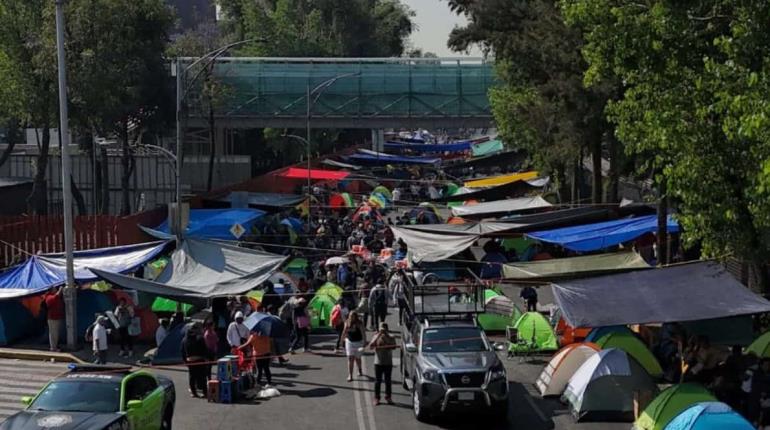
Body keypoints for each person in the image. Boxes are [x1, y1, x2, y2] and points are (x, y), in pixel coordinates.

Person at [369, 322, 397, 405]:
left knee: (388, 381)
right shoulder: (376, 336)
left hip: (388, 362)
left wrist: (386, 337)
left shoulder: (391, 337)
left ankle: (388, 397)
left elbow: (394, 346)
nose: (383, 331)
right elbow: (371, 346)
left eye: (384, 329)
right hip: (378, 362)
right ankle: (376, 397)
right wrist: (378, 336)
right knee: (378, 381)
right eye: (381, 329)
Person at [181, 323, 208, 398]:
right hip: (200, 360)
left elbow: (182, 352)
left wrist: (185, 361)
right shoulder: (200, 338)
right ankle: (205, 392)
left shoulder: (184, 340)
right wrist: (205, 358)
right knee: (202, 376)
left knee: (192, 377)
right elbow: (204, 349)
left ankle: (193, 392)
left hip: (190, 361)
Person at [342, 311, 366, 382]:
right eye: (350, 316)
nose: (351, 317)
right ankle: (350, 375)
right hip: (349, 342)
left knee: (357, 358)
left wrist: (364, 342)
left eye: (353, 316)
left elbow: (363, 333)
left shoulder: (359, 323)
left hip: (358, 342)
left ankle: (360, 369)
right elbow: (344, 331)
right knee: (350, 358)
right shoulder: (347, 322)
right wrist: (341, 340)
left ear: (356, 317)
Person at [44, 287, 65, 352]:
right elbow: (54, 298)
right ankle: (53, 348)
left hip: (58, 317)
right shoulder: (48, 297)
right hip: (52, 318)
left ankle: (56, 346)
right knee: (53, 334)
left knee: (57, 333)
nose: (56, 290)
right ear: (51, 290)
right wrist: (60, 290)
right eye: (54, 289)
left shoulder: (57, 297)